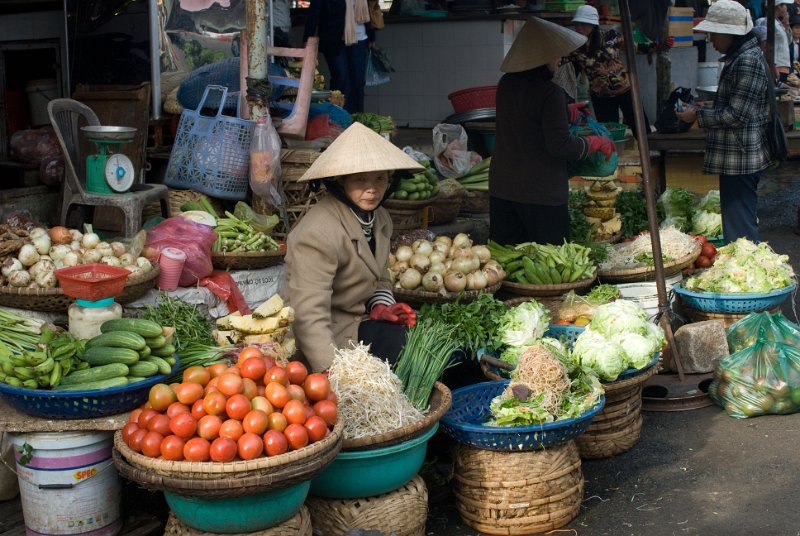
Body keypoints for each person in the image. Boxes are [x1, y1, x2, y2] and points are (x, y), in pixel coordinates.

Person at [282, 123, 423, 372]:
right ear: (341, 182)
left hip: (354, 322)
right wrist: (331, 373)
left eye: (380, 178)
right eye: (360, 180)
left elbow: (380, 277)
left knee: (415, 344)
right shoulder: (318, 233)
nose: (372, 189)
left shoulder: (379, 219)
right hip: (323, 337)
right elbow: (308, 315)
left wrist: (380, 307)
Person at [489, 17, 616, 246]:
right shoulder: (550, 93)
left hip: (503, 188)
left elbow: (524, 120)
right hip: (541, 193)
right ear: (543, 59)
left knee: (507, 262)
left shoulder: (505, 84)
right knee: (550, 268)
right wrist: (595, 143)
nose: (559, 61)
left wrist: (564, 113)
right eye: (556, 55)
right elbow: (560, 146)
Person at [675, 0, 771, 244]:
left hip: (741, 156)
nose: (711, 40)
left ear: (729, 33)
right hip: (737, 155)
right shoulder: (741, 57)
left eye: (713, 34)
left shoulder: (747, 60)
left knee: (740, 227)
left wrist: (697, 116)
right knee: (736, 221)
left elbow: (736, 115)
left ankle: (749, 274)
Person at [568, 4, 651, 141]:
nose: (579, 27)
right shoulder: (575, 48)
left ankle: (651, 155)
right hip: (601, 96)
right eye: (577, 24)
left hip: (624, 89)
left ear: (593, 25)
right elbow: (570, 73)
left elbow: (633, 47)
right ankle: (612, 160)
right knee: (609, 136)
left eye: (583, 24)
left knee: (642, 129)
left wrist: (658, 46)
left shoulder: (610, 36)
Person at [303, 0, 374, 113]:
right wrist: (308, 37)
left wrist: (372, 37)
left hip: (360, 38)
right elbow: (315, 10)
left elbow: (370, 8)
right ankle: (338, 118)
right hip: (334, 38)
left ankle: (356, 119)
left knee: (357, 81)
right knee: (341, 77)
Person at [772, 0, 793, 83]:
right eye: (785, 5)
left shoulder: (779, 23)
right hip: (777, 64)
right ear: (779, 6)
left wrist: (786, 23)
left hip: (784, 64)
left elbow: (788, 42)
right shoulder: (768, 22)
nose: (786, 8)